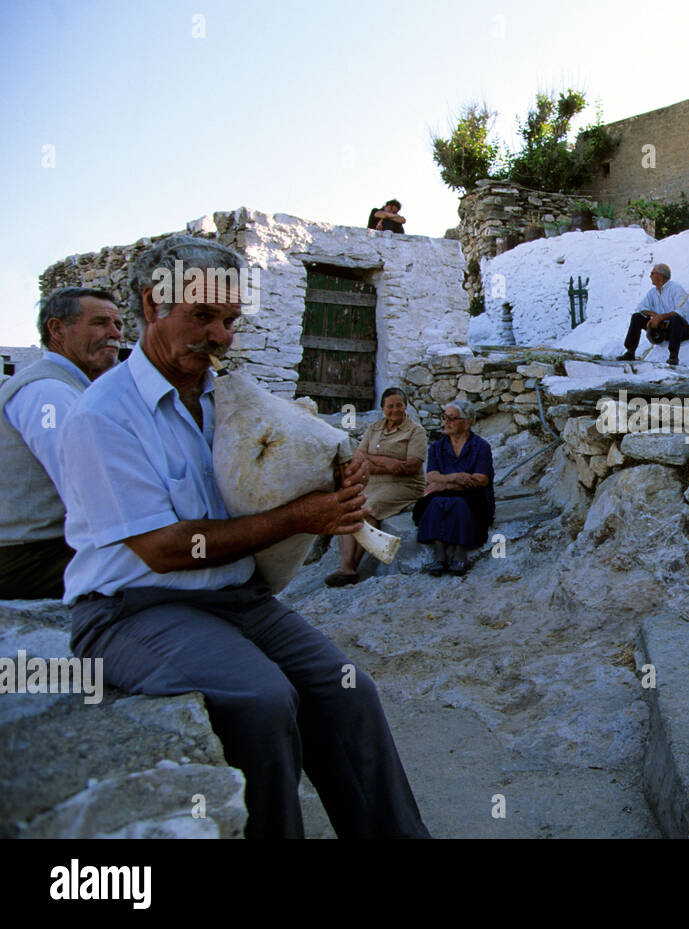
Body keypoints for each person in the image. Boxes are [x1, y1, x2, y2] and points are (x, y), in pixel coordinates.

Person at [57, 235, 429, 839]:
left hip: (236, 598)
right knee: (261, 702)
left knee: (348, 692)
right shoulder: (104, 416)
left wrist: (339, 472)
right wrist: (300, 518)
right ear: (153, 306)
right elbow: (164, 549)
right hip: (133, 610)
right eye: (201, 317)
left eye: (230, 320)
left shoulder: (226, 395)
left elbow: (273, 471)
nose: (221, 336)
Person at [0, 287, 122, 599]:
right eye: (99, 323)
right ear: (57, 329)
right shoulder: (49, 393)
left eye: (118, 325)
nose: (114, 334)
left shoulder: (69, 388)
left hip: (40, 549)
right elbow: (87, 490)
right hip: (27, 557)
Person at [325, 387, 428, 586]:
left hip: (404, 485)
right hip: (373, 482)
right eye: (390, 406)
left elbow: (409, 467)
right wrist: (387, 462)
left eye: (400, 405)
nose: (395, 410)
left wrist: (374, 463)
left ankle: (349, 569)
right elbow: (360, 457)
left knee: (369, 508)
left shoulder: (416, 431)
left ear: (405, 406)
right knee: (348, 507)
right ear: (383, 408)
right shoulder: (374, 428)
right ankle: (345, 566)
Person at [414, 400, 494, 576]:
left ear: (466, 423)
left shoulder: (481, 446)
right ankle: (440, 554)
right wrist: (456, 478)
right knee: (436, 503)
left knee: (458, 503)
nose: (446, 422)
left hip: (474, 494)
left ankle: (460, 552)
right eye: (444, 418)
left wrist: (443, 483)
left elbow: (481, 479)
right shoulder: (437, 447)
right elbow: (431, 476)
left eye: (452, 418)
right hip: (446, 492)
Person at [616, 263, 689, 366]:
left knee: (675, 318)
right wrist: (654, 315)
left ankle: (673, 356)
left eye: (652, 273)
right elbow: (641, 308)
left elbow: (682, 311)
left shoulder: (676, 288)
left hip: (681, 330)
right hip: (662, 329)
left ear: (660, 276)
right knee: (637, 317)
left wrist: (661, 317)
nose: (650, 276)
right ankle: (630, 352)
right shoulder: (652, 292)